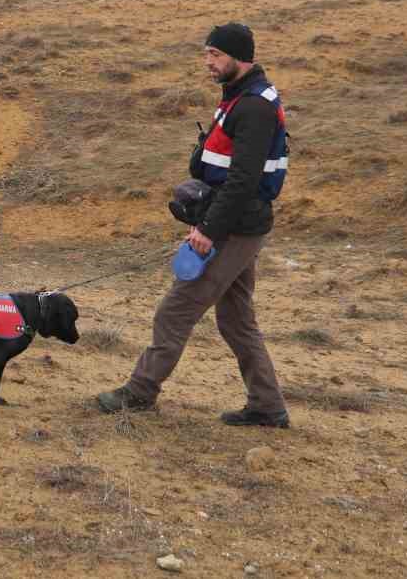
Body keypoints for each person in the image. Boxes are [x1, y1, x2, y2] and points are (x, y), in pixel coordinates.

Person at [95, 21, 290, 428]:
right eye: (206, 54)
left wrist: (208, 231)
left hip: (235, 227)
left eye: (215, 55)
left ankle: (140, 392)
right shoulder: (242, 97)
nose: (208, 62)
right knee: (236, 320)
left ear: (240, 57)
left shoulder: (253, 107)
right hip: (239, 223)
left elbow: (242, 181)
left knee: (175, 310)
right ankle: (267, 407)